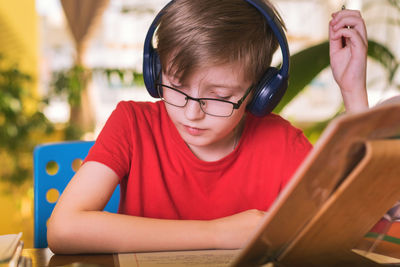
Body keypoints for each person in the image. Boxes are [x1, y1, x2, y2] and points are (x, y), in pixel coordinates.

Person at [47, 0, 368, 254]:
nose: (191, 112)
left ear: (260, 92)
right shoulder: (131, 124)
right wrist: (218, 233)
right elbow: (63, 230)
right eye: (175, 85)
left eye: (219, 97)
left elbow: (356, 222)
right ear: (155, 70)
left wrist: (353, 91)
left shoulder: (283, 144)